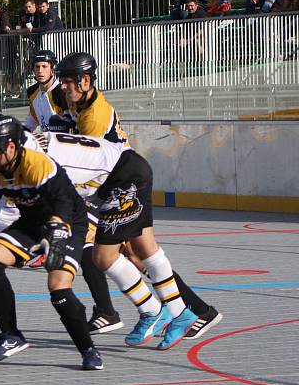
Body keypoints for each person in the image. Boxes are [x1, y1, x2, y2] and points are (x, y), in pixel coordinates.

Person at [55, 52, 221, 349]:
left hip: (118, 181)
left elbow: (89, 166)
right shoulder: (77, 99)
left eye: (68, 81)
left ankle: (162, 312)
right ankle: (188, 312)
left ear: (85, 80)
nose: (63, 86)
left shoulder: (96, 115)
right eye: (62, 80)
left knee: (106, 256)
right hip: (126, 175)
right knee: (141, 251)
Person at [0, 113, 104, 370]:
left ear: (11, 147)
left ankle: (88, 350)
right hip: (32, 222)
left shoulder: (37, 164)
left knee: (58, 288)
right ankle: (11, 335)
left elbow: (64, 204)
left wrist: (57, 234)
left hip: (68, 223)